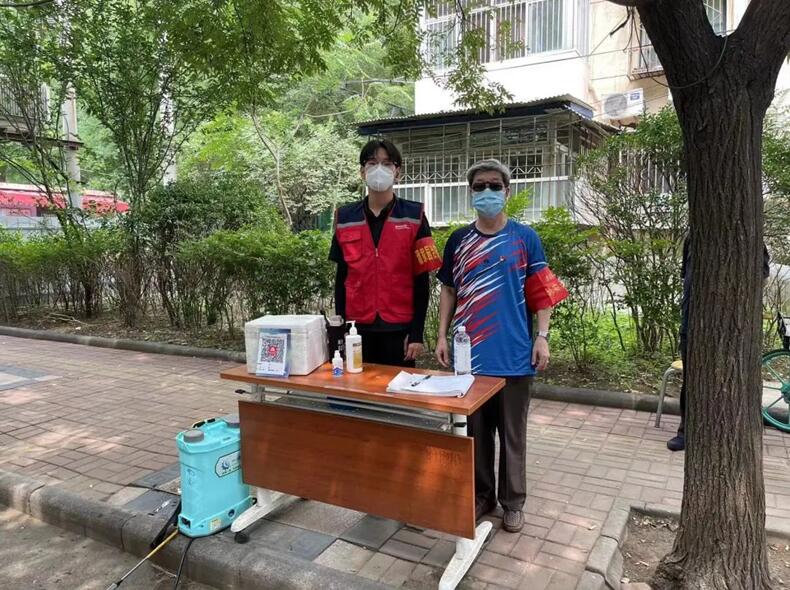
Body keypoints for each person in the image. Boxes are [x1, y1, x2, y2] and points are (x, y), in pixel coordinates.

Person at [435, 159, 568, 533]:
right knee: (474, 435)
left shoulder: (525, 238)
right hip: (470, 357)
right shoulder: (458, 240)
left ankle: (513, 502)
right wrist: (442, 335)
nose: (487, 192)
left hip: (514, 354)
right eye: (480, 186)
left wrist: (542, 337)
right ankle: (482, 497)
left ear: (507, 192)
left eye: (495, 185)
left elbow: (542, 292)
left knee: (512, 435)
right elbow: (448, 290)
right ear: (470, 192)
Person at [329, 139, 441, 367]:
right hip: (357, 327)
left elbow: (422, 281)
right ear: (362, 172)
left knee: (399, 388)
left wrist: (416, 333)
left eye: (387, 163)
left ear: (397, 172)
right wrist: (341, 327)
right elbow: (342, 278)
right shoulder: (345, 217)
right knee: (356, 386)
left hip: (399, 327)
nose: (379, 169)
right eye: (372, 163)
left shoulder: (415, 216)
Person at [667, 236, 770, 451]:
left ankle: (731, 433)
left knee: (733, 379)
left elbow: (761, 277)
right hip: (692, 321)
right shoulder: (692, 238)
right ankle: (685, 431)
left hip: (732, 327)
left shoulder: (751, 239)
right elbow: (686, 276)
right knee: (692, 378)